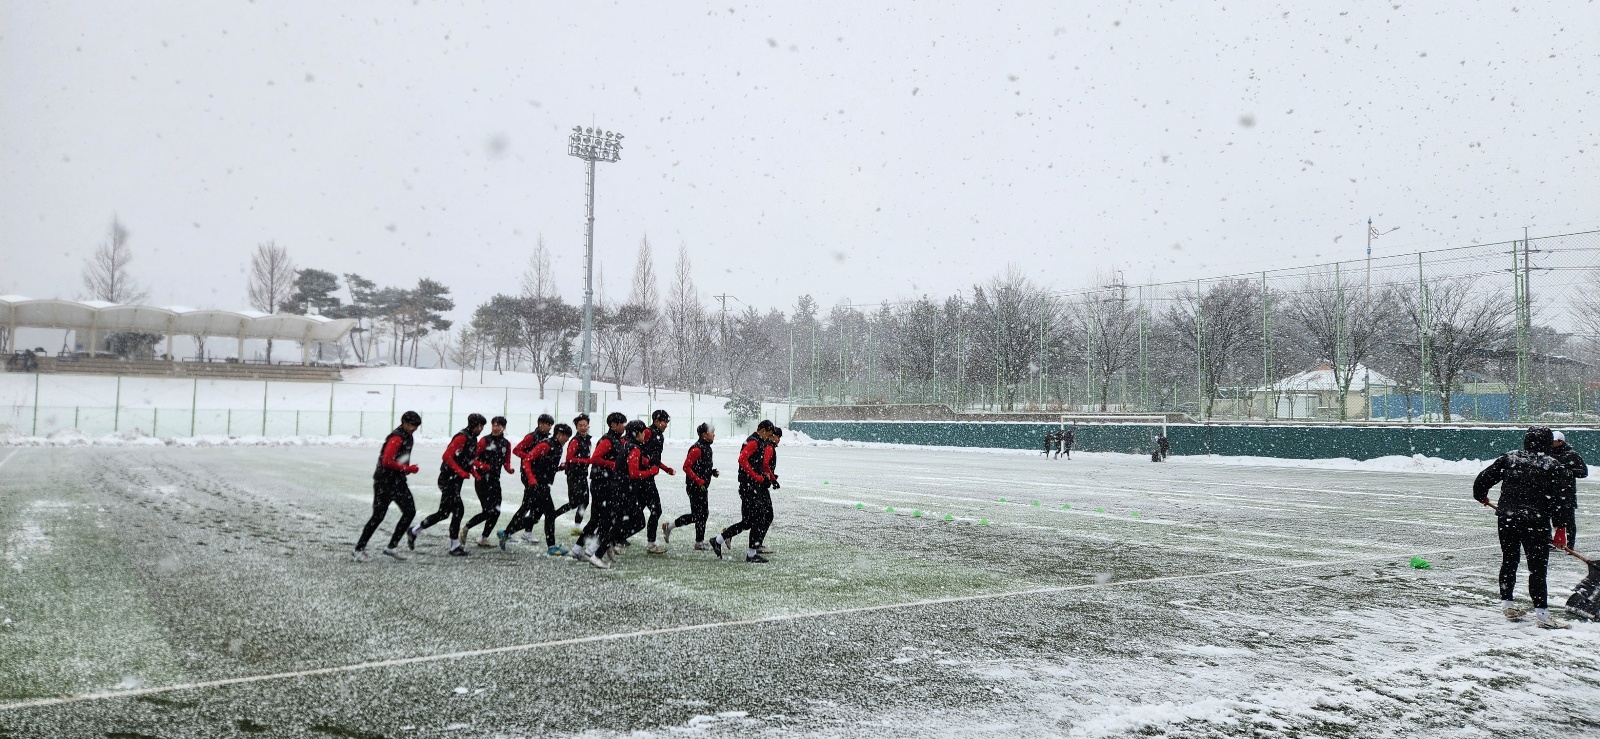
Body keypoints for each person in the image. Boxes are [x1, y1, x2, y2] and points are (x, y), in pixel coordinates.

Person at [1473, 425, 1575, 629]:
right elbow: (1561, 501)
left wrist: (1481, 495)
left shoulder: (1510, 459)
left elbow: (1482, 480)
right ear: (1547, 443)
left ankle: (1508, 604)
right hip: (1535, 522)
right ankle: (1542, 615)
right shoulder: (1553, 466)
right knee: (1537, 568)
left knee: (1509, 560)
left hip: (1507, 519)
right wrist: (1561, 528)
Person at [408, 413, 484, 557]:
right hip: (447, 479)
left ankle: (414, 530)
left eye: (482, 426)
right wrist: (460, 472)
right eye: (479, 425)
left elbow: (467, 458)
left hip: (455, 480)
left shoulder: (472, 438)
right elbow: (446, 456)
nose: (481, 428)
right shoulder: (462, 437)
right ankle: (454, 545)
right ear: (472, 425)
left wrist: (473, 472)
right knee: (458, 510)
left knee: (443, 513)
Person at [354, 410, 423, 561]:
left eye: (417, 426)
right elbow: (387, 461)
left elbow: (399, 458)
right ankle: (359, 549)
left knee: (410, 511)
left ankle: (391, 547)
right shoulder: (397, 437)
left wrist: (405, 469)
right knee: (378, 516)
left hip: (397, 481)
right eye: (412, 425)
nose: (414, 428)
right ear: (404, 422)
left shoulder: (408, 436)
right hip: (385, 482)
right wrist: (407, 469)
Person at [498, 423, 574, 555]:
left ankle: (506, 532)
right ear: (559, 434)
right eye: (566, 438)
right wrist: (531, 479)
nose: (566, 441)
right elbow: (527, 460)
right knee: (549, 514)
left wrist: (559, 468)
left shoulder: (557, 447)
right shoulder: (546, 445)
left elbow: (545, 465)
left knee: (534, 516)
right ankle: (551, 546)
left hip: (542, 484)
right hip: (537, 485)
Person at [709, 421, 775, 563]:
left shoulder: (758, 442)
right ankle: (751, 554)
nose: (769, 438)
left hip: (749, 486)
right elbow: (742, 459)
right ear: (762, 431)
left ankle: (718, 540)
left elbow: (754, 462)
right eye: (768, 435)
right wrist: (755, 476)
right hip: (749, 487)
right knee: (759, 517)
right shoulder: (754, 442)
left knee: (747, 522)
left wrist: (765, 475)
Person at [570, 412, 628, 568]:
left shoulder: (617, 439)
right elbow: (595, 458)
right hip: (601, 484)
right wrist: (612, 465)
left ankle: (580, 549)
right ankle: (591, 549)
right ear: (613, 425)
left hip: (605, 483)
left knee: (600, 519)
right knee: (605, 519)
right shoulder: (608, 440)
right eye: (621, 423)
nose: (624, 426)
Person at [663, 423, 718, 550]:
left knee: (701, 514)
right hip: (695, 487)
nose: (714, 434)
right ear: (704, 434)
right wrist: (698, 480)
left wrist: (711, 472)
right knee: (699, 515)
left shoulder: (707, 448)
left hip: (702, 486)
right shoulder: (697, 449)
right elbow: (686, 467)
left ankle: (697, 541)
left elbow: (701, 466)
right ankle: (696, 541)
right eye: (711, 432)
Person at [464, 416, 514, 547]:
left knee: (496, 511)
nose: (496, 428)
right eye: (494, 425)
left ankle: (483, 537)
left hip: (495, 481)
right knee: (488, 511)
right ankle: (466, 528)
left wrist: (509, 469)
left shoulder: (506, 443)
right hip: (482, 480)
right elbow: (472, 458)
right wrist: (482, 466)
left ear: (504, 427)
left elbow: (506, 461)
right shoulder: (485, 440)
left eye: (499, 425)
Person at [634, 410, 677, 554]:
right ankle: (650, 543)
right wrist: (644, 462)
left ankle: (614, 538)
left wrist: (666, 469)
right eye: (665, 422)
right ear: (657, 420)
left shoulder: (659, 435)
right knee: (655, 510)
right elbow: (636, 448)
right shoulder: (647, 432)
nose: (666, 425)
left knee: (636, 511)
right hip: (643, 478)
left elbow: (655, 459)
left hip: (647, 477)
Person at [555, 414, 593, 535]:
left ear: (588, 426)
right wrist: (586, 461)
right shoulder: (575, 441)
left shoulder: (587, 439)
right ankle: (553, 515)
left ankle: (576, 527)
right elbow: (569, 458)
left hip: (582, 475)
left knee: (585, 501)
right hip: (574, 475)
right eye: (580, 425)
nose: (583, 427)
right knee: (574, 502)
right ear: (576, 427)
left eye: (585, 425)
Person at [1551, 430, 1586, 549]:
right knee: (1551, 518)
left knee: (1569, 519)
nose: (1551, 443)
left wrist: (1568, 471)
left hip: (1566, 493)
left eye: (1553, 441)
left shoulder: (1572, 455)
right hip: (1550, 492)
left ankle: (1570, 544)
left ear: (1560, 442)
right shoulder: (1547, 454)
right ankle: (1552, 541)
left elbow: (1583, 472)